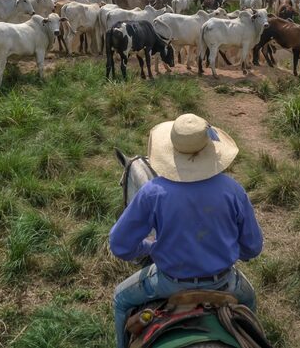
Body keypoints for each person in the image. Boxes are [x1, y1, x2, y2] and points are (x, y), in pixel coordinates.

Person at [109, 113, 264, 348]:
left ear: (172, 150)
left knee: (120, 299)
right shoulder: (233, 190)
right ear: (210, 149)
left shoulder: (153, 192)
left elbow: (119, 245)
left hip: (169, 282)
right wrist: (228, 247)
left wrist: (148, 247)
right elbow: (253, 247)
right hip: (224, 282)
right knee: (249, 303)